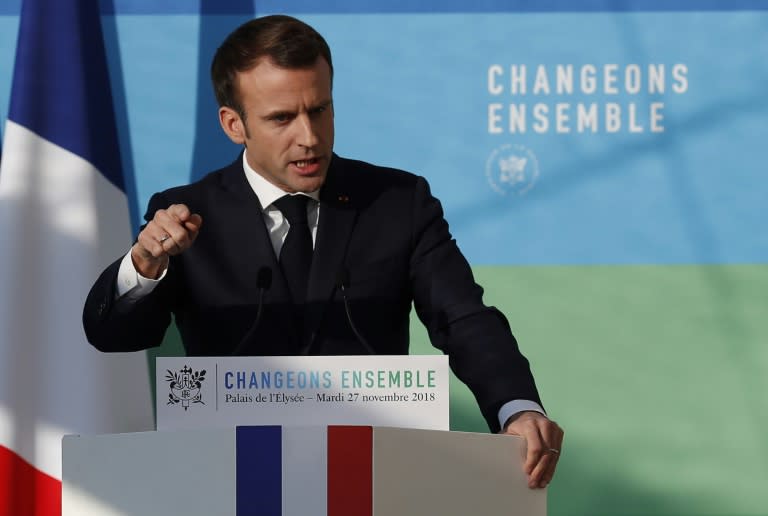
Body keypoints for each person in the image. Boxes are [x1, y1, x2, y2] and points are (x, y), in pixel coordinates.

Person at [83, 14, 563, 488]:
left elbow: (463, 319)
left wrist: (517, 407)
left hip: (373, 478)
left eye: (319, 110)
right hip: (232, 481)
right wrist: (145, 266)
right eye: (282, 118)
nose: (309, 138)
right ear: (234, 124)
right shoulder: (185, 213)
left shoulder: (398, 202)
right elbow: (113, 333)